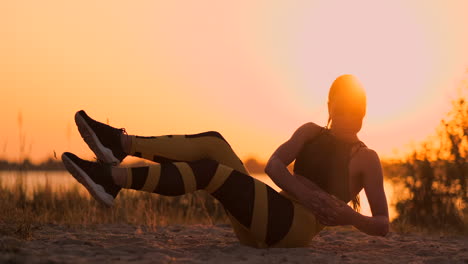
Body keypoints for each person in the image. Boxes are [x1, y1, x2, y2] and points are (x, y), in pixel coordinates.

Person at [62, 74, 389, 248]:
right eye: (345, 109)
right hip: (267, 216)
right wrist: (304, 190)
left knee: (210, 172)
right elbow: (274, 166)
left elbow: (382, 225)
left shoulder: (366, 159)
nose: (352, 118)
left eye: (359, 111)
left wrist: (349, 217)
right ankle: (121, 144)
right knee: (215, 143)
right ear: (331, 106)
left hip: (293, 230)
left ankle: (113, 179)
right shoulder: (310, 132)